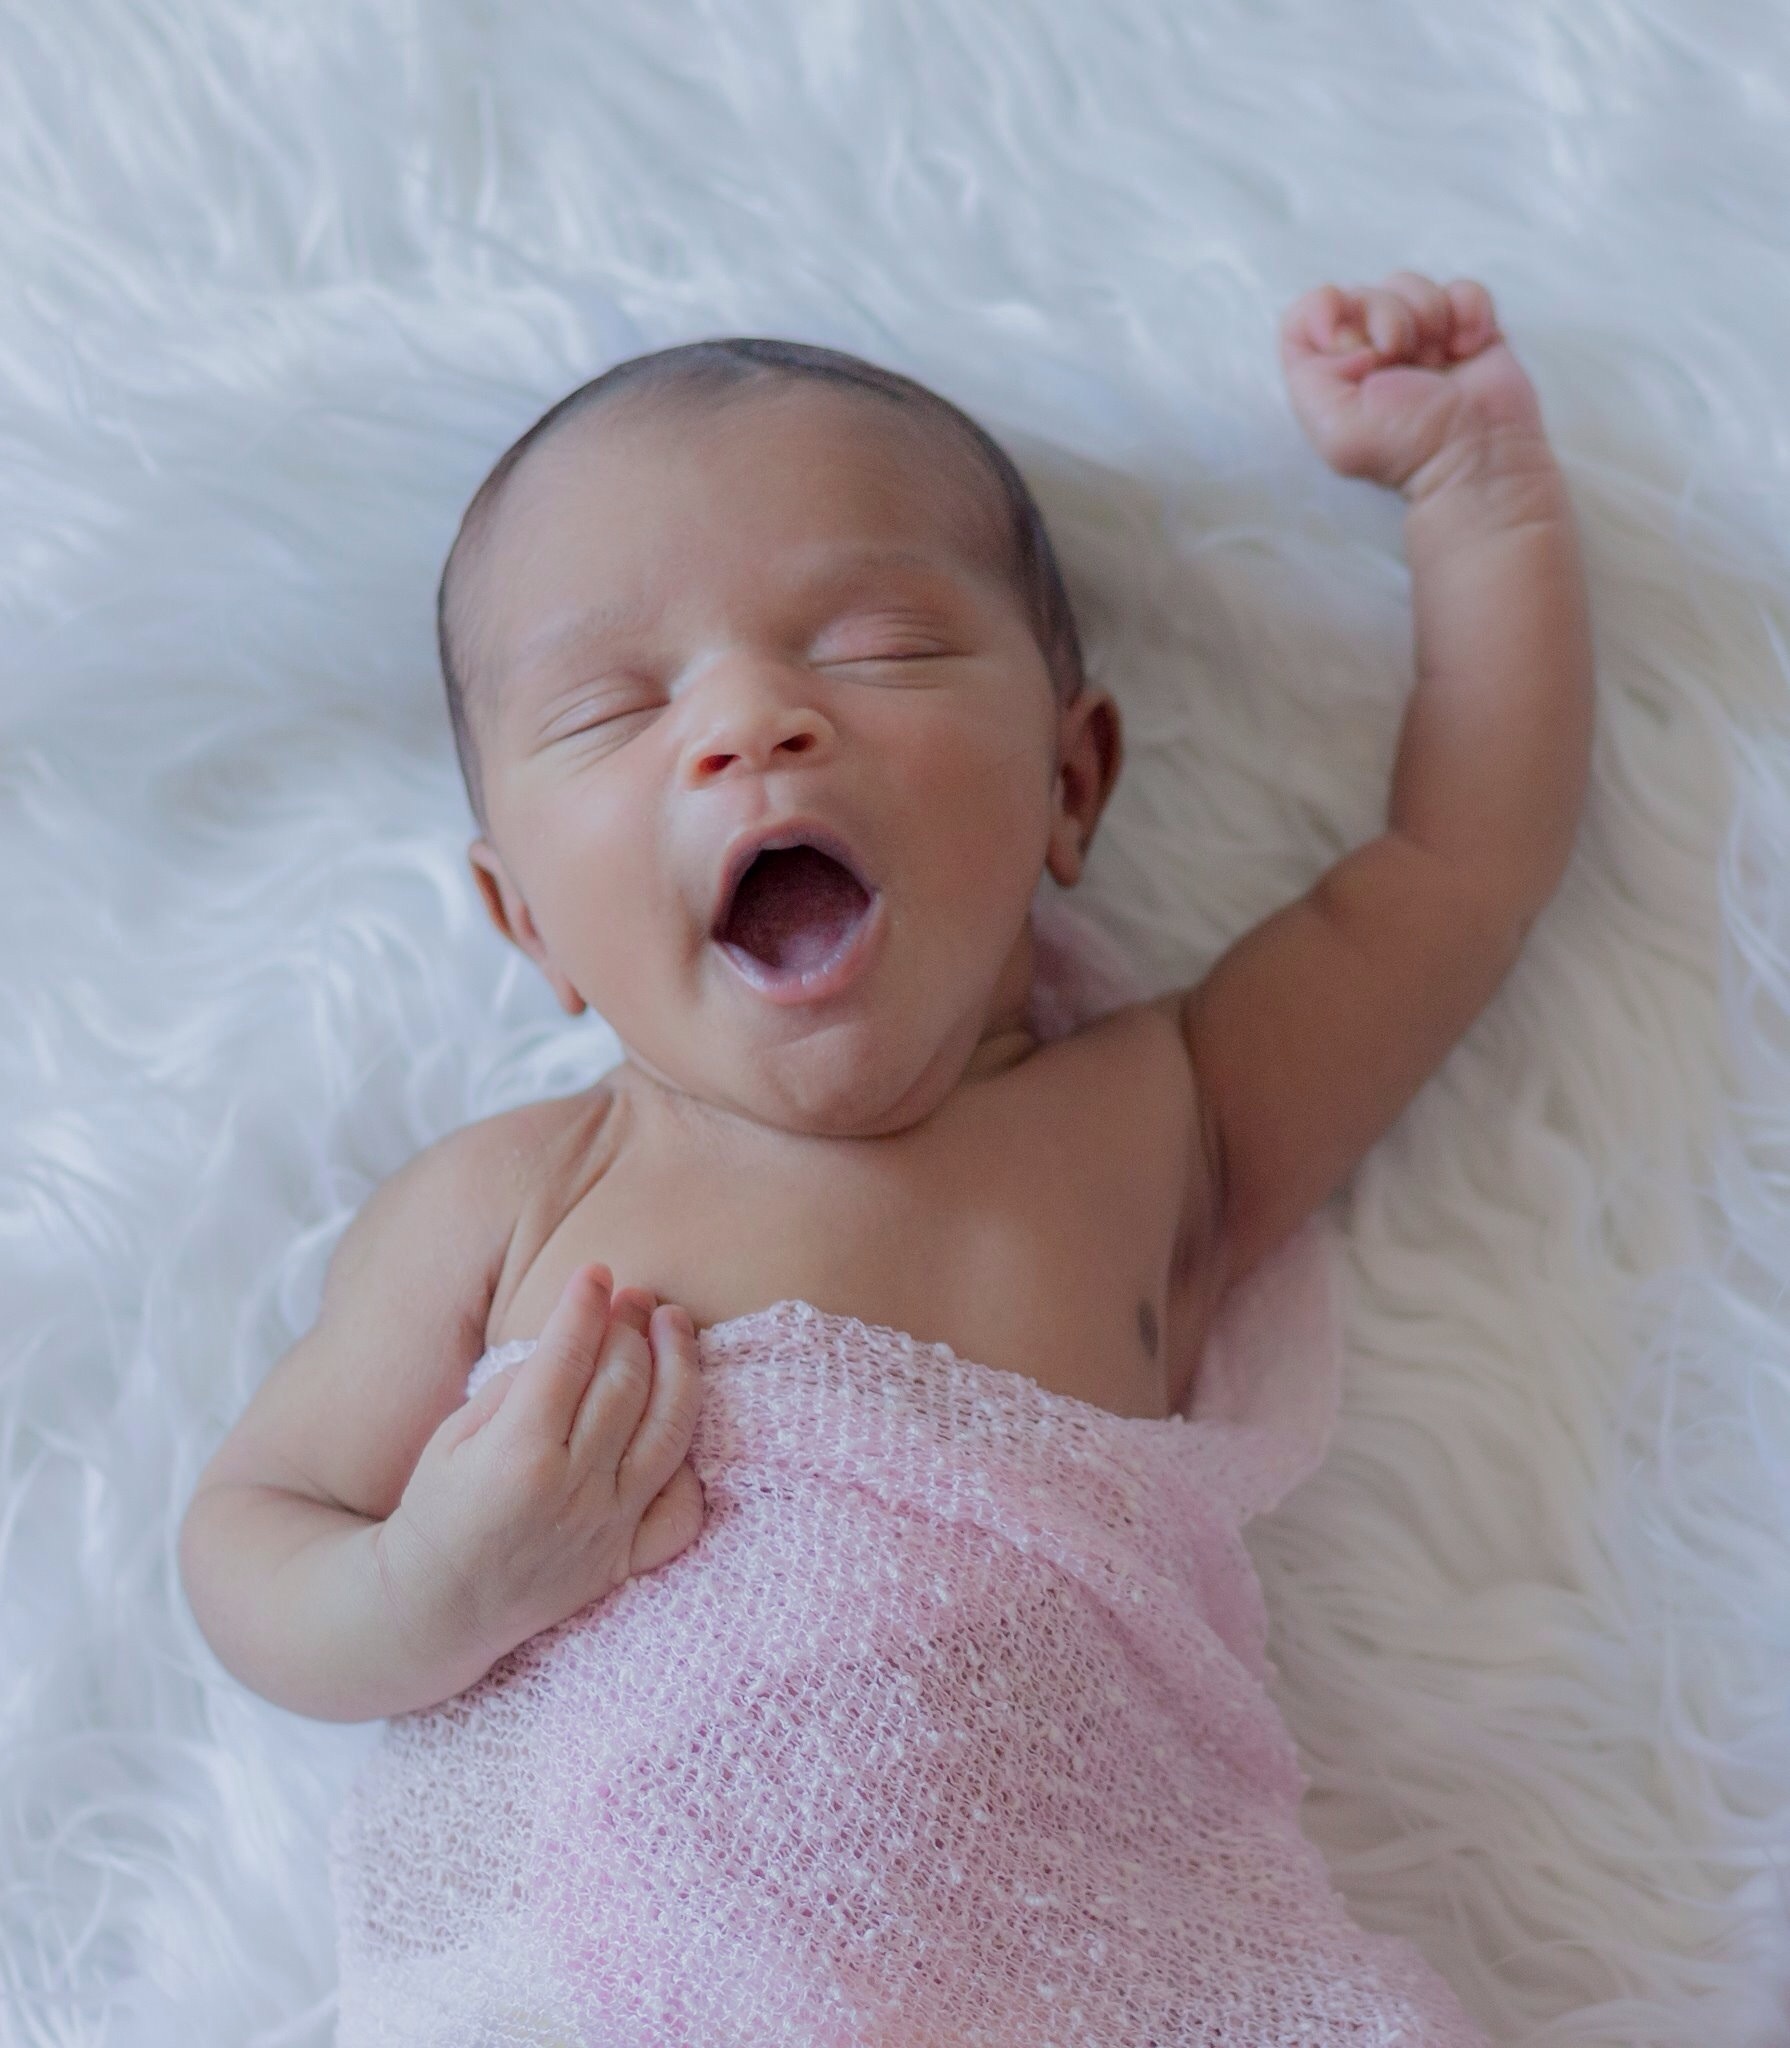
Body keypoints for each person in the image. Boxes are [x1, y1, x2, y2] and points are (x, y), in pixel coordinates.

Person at [179, 271, 1592, 2042]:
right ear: (525, 918)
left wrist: (1476, 489)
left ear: (1069, 783)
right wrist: (427, 1587)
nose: (747, 723)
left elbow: (1458, 869)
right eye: (612, 708)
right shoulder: (510, 1198)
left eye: (876, 645)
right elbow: (251, 1531)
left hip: (1112, 1970)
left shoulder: (1163, 1120)